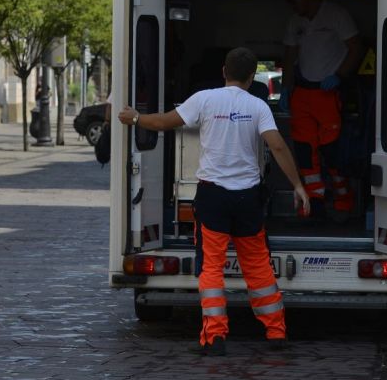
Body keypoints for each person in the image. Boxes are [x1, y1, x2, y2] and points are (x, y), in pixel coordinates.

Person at [118, 47, 310, 356]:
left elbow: (163, 123)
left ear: (224, 71)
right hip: (248, 197)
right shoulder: (258, 106)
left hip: (213, 196)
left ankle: (215, 336)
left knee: (211, 268)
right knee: (258, 265)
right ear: (252, 77)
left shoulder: (204, 99)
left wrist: (135, 117)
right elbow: (276, 145)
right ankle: (275, 333)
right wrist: (298, 186)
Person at [280, 0, 362, 217]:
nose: (292, 5)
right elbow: (290, 54)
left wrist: (341, 75)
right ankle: (313, 204)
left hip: (328, 93)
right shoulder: (296, 20)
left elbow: (356, 48)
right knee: (305, 152)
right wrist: (286, 88)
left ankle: (344, 203)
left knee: (332, 152)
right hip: (302, 93)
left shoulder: (336, 15)